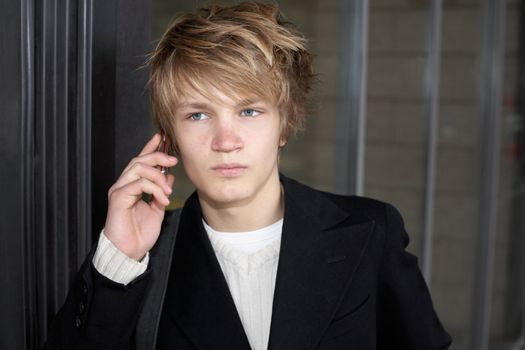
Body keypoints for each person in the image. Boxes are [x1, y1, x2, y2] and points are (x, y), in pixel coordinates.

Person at [44, 2, 452, 349]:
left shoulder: (369, 231)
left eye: (249, 111)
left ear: (285, 126)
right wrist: (120, 258)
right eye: (198, 114)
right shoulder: (143, 259)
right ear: (171, 137)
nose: (225, 141)